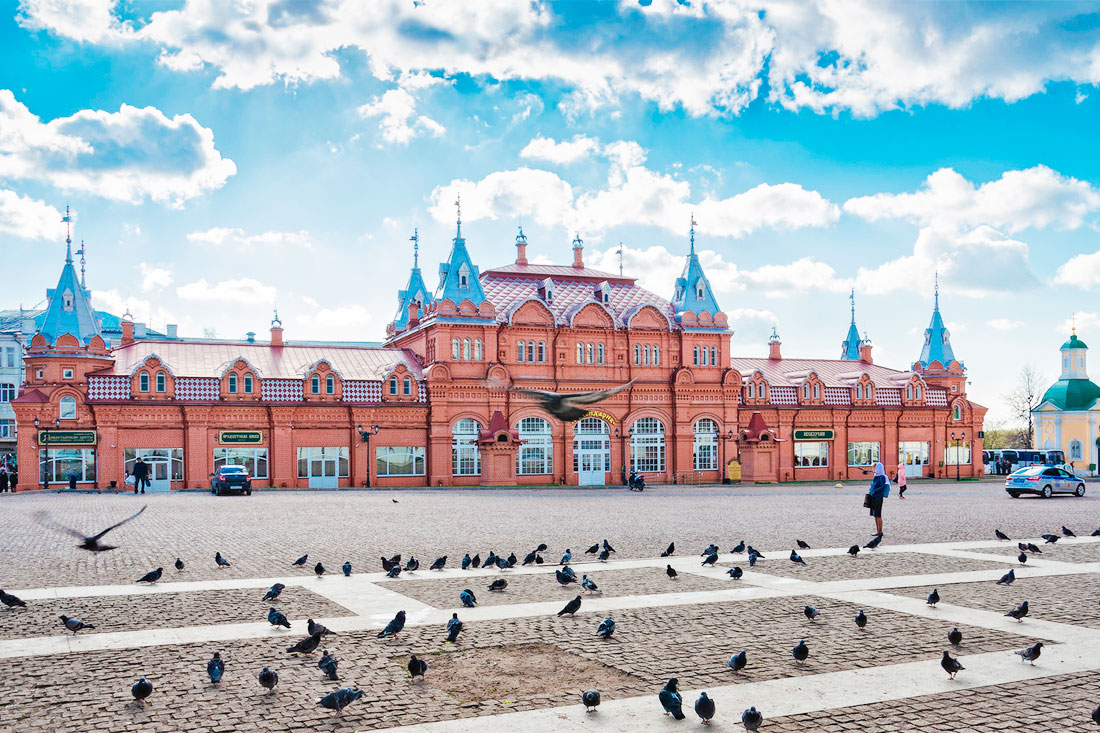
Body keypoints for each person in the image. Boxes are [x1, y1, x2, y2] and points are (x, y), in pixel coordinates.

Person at [867, 461, 890, 537]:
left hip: (878, 497)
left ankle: (880, 531)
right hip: (873, 496)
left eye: (874, 468)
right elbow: (873, 485)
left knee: (878, 514)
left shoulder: (882, 476)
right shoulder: (875, 476)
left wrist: (875, 491)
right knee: (875, 514)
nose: (873, 469)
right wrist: (870, 490)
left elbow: (882, 486)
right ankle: (877, 530)